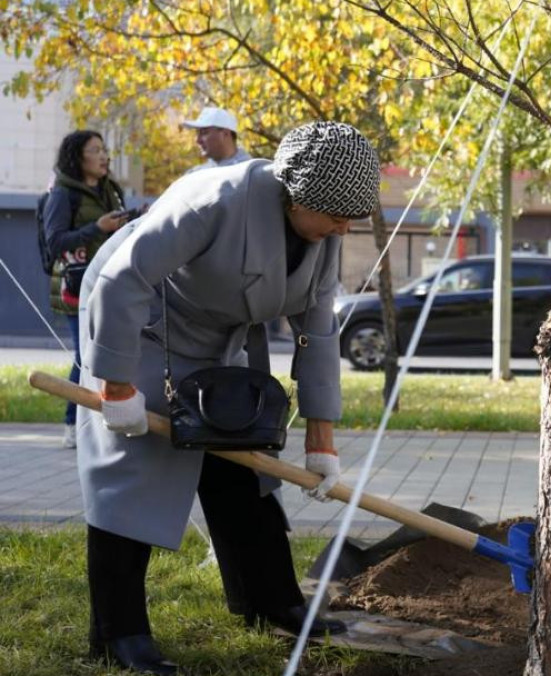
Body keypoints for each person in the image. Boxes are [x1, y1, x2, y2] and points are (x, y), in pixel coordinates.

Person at [77, 121, 380, 674]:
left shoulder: (325, 233)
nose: (344, 226)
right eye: (336, 213)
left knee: (243, 461)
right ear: (297, 195)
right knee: (135, 469)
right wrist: (116, 386)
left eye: (350, 217)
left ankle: (269, 600)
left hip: (220, 338)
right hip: (142, 321)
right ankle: (118, 632)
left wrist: (322, 438)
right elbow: (124, 279)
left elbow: (317, 327)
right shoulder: (214, 199)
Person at [42, 130, 133, 449]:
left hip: (110, 283)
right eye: (96, 150)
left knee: (107, 352)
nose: (105, 155)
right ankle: (73, 424)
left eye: (105, 149)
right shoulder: (64, 194)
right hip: (75, 286)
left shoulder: (111, 190)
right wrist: (97, 228)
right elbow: (55, 241)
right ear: (79, 157)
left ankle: (101, 419)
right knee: (86, 356)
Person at [182, 106, 252, 173]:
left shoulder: (251, 173)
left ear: (225, 134)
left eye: (204, 133)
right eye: (197, 133)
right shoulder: (195, 175)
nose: (198, 140)